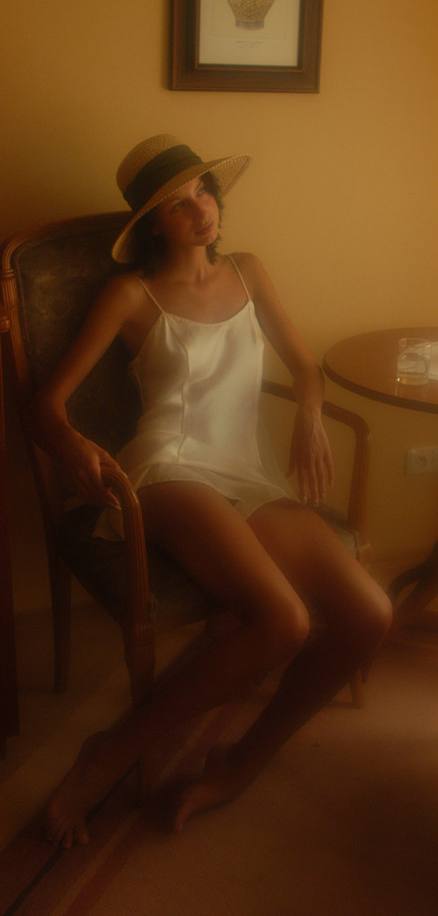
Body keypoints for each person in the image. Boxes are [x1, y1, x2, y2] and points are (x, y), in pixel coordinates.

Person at [35, 134, 393, 848]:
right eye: (177, 205)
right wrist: (73, 444)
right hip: (168, 467)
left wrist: (311, 413)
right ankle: (107, 752)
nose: (200, 211)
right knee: (283, 622)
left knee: (368, 614)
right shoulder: (129, 295)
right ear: (152, 225)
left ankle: (238, 762)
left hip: (244, 470)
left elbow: (304, 367)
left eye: (203, 192)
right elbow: (47, 402)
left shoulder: (249, 271)